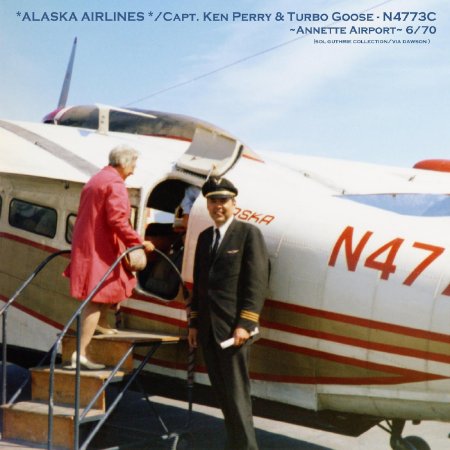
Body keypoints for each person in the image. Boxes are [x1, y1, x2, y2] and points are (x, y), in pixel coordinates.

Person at [188, 177, 269, 450]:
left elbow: (256, 283)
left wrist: (245, 323)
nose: (218, 206)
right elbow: (199, 283)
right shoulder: (205, 237)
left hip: (233, 332)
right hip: (209, 331)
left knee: (237, 397)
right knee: (222, 396)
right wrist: (194, 323)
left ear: (234, 203)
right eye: (213, 201)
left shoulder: (248, 234)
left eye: (223, 201)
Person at [64, 144, 154, 370]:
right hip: (100, 247)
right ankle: (81, 353)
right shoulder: (115, 184)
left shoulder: (96, 179)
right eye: (133, 165)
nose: (133, 170)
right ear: (124, 163)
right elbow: (117, 220)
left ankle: (102, 323)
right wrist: (137, 242)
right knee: (96, 298)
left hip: (87, 245)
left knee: (108, 287)